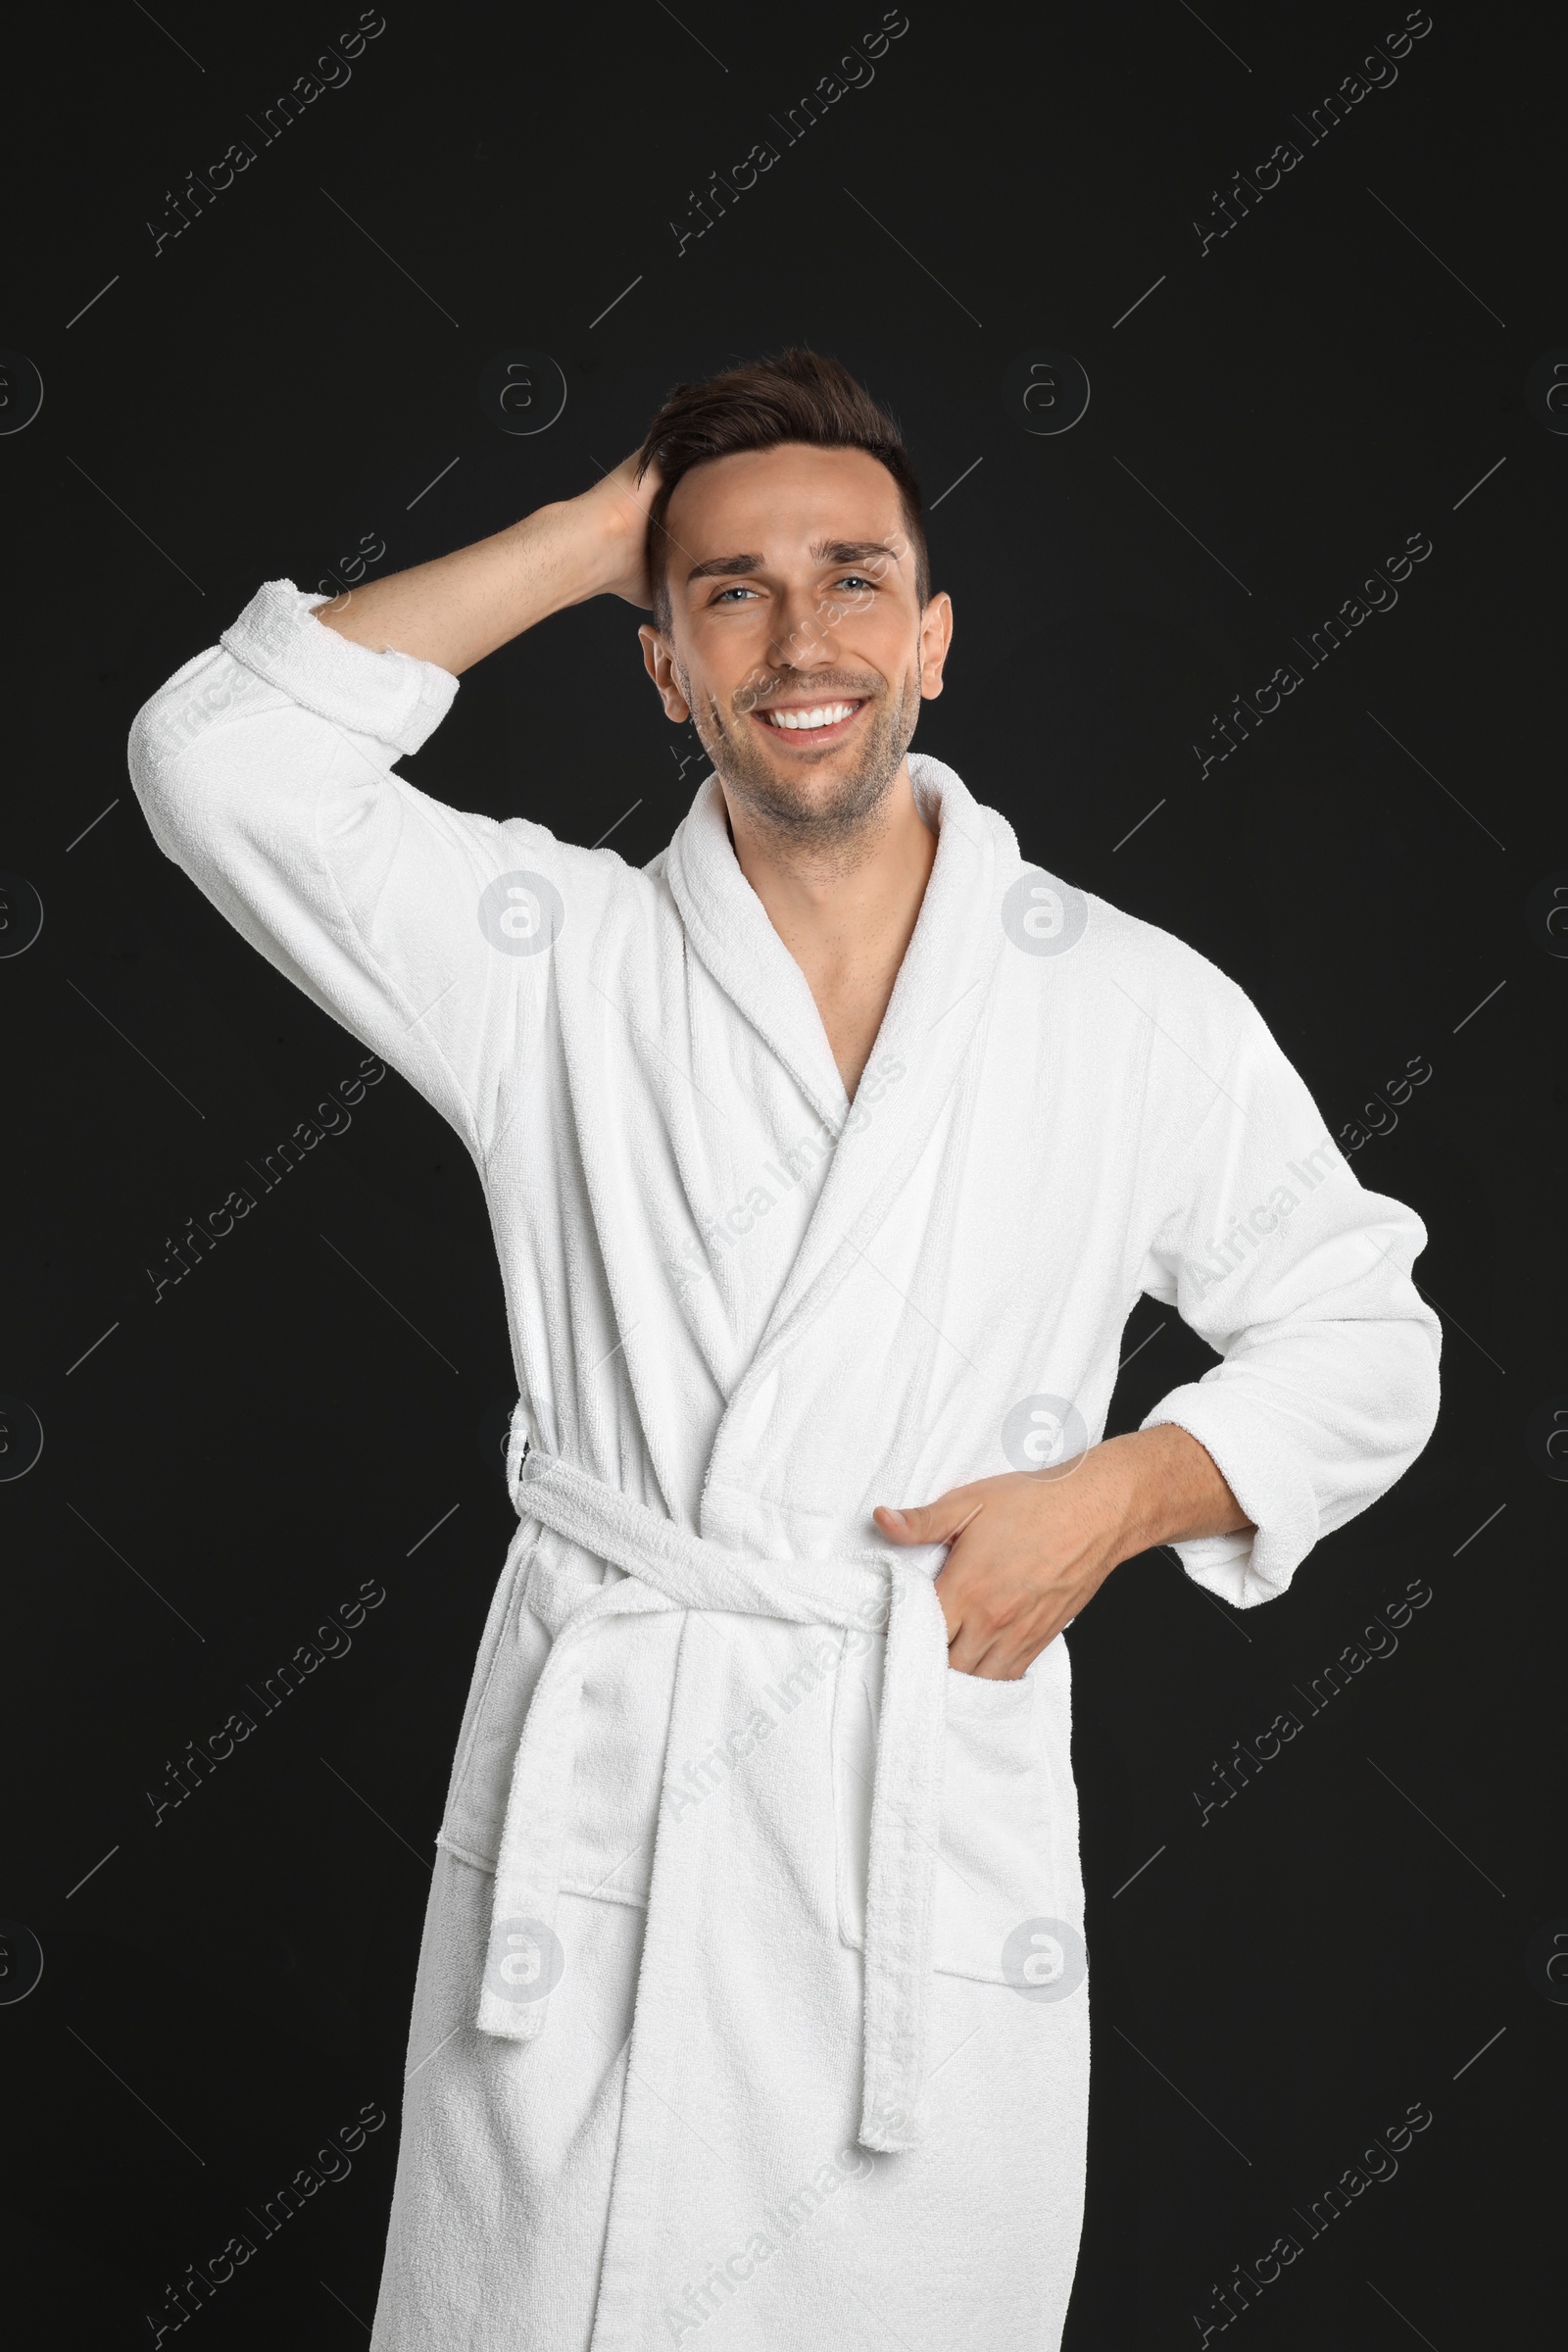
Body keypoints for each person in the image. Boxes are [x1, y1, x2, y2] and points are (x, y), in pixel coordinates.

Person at [127, 348, 1441, 2350]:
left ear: (929, 638)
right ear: (658, 663)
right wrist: (592, 532)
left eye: (848, 581)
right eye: (725, 590)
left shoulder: (1117, 1007)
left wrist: (1120, 1494)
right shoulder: (547, 965)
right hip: (605, 1827)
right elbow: (216, 760)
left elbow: (1364, 1334)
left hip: (907, 1833)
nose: (794, 637)